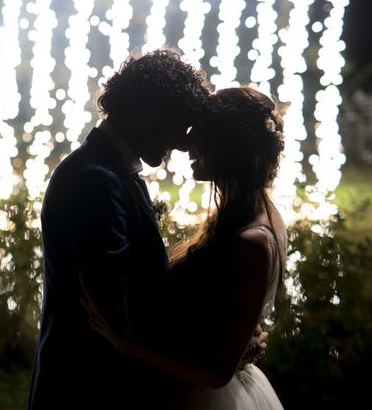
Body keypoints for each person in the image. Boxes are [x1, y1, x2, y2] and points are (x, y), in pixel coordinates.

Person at [26, 48, 211, 410]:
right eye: (180, 124)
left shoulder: (107, 170)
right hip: (90, 383)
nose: (182, 142)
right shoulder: (96, 180)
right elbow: (119, 304)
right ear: (146, 113)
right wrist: (212, 346)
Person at [85, 86, 287, 409]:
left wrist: (127, 343)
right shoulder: (237, 214)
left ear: (226, 146)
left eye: (200, 134)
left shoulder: (253, 239)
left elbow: (218, 373)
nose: (186, 144)